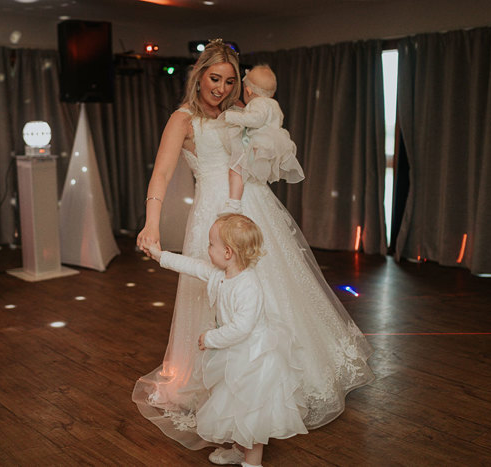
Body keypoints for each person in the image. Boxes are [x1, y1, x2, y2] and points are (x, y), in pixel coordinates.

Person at [134, 39, 374, 462]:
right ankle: (228, 401)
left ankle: (273, 388)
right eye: (214, 79)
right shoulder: (183, 119)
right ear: (199, 74)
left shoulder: (239, 117)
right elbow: (163, 173)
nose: (221, 89)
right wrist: (151, 224)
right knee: (215, 303)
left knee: (275, 295)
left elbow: (259, 158)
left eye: (229, 81)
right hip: (213, 217)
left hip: (256, 209)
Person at [145, 214, 308, 467]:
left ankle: (252, 463)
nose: (207, 248)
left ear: (228, 252)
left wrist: (210, 338)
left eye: (211, 244)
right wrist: (159, 255)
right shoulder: (219, 273)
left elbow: (242, 328)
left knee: (250, 414)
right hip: (232, 355)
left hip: (253, 360)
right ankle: (237, 450)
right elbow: (191, 265)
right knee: (232, 405)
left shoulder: (248, 286)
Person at [221, 65, 304, 214]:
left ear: (248, 90)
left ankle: (234, 203)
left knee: (236, 169)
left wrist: (232, 116)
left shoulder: (258, 103)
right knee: (250, 172)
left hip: (259, 143)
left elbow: (255, 119)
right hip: (271, 144)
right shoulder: (274, 104)